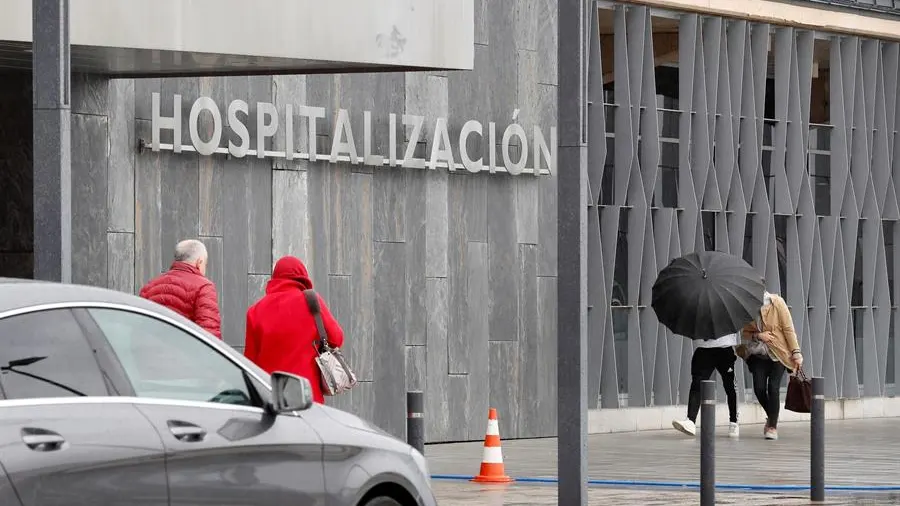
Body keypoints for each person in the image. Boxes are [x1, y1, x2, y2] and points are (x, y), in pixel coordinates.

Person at [244, 255, 344, 404]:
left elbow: (250, 363)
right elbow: (337, 338)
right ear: (303, 278)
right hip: (308, 399)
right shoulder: (312, 302)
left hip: (271, 400)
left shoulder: (255, 311)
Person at [738, 290, 803, 440]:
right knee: (759, 388)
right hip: (758, 355)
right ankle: (772, 416)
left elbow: (788, 328)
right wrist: (758, 335)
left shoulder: (777, 303)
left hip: (778, 354)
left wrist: (796, 352)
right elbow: (744, 333)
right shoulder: (747, 307)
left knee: (773, 388)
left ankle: (772, 426)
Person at [139, 239, 221, 339]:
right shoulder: (203, 287)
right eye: (205, 264)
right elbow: (209, 336)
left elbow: (139, 330)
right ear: (199, 263)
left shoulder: (149, 287)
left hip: (151, 353)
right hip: (184, 353)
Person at [672, 332, 740, 438]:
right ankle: (691, 421)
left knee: (730, 386)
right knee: (697, 384)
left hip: (725, 347)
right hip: (704, 348)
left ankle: (734, 421)